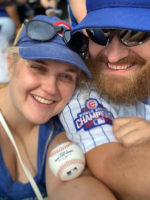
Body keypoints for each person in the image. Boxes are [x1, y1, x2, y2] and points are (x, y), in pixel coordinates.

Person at [0, 14, 114, 200]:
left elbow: (76, 187)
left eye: (65, 76)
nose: (50, 88)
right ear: (10, 64)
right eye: (38, 68)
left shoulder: (61, 130)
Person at [59, 0, 150, 199]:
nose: (114, 57)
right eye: (98, 34)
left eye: (136, 35)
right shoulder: (83, 94)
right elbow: (116, 167)